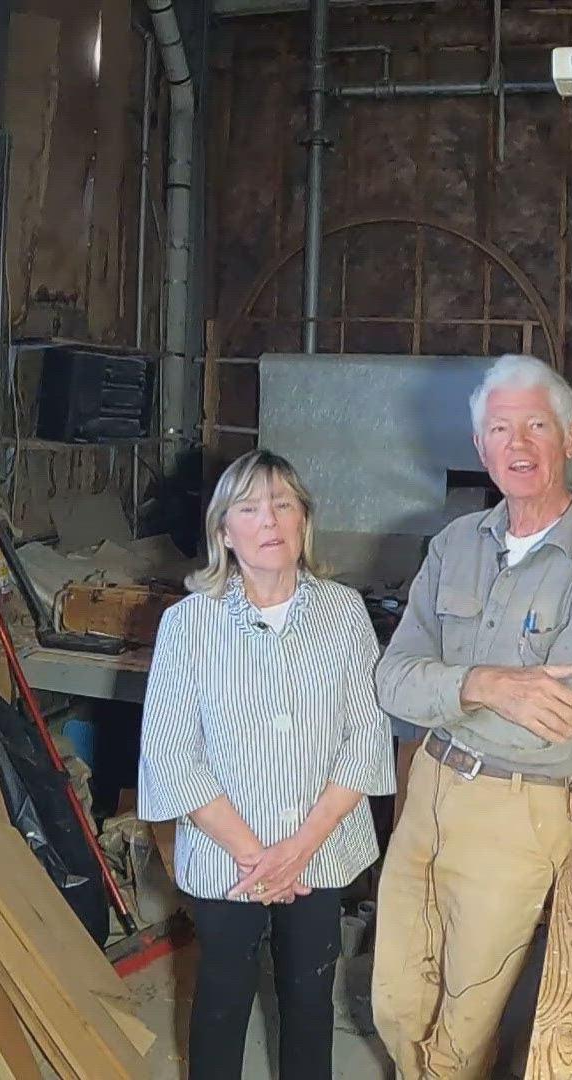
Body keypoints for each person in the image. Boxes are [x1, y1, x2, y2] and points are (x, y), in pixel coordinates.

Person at [372, 354, 572, 1078]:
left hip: (518, 812)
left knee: (465, 1030)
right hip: (428, 793)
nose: (518, 445)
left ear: (571, 437)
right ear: (481, 447)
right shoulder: (453, 545)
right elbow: (391, 681)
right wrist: (489, 684)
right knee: (398, 1006)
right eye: (501, 429)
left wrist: (448, 693)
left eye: (536, 425)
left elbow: (563, 721)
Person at [138, 449, 395, 1080]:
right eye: (249, 508)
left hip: (320, 850)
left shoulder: (343, 612)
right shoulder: (188, 625)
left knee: (309, 1000)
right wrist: (258, 858)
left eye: (283, 504)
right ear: (224, 531)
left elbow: (365, 737)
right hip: (229, 855)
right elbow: (173, 755)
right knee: (222, 1001)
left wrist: (299, 850)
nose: (269, 520)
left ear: (305, 521)